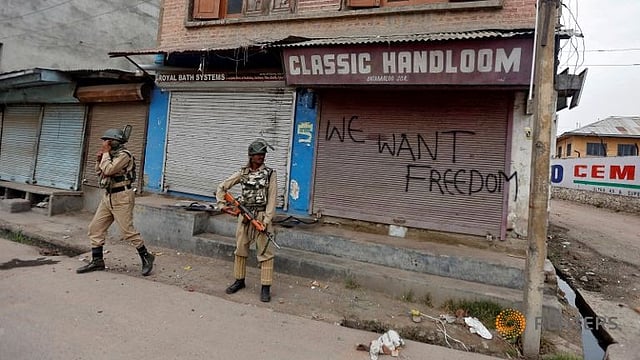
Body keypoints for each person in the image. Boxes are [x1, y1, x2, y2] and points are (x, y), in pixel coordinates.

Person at [77, 128, 155, 276]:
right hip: (108, 196)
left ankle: (146, 256)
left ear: (115, 142)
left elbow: (109, 170)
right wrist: (98, 159)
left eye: (107, 141)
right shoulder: (110, 155)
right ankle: (97, 261)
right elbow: (100, 172)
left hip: (122, 196)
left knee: (127, 231)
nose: (104, 144)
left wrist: (105, 155)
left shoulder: (124, 155)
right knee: (95, 228)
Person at [216, 138, 277, 302]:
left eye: (263, 154)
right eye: (258, 154)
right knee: (240, 249)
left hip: (262, 217)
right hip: (244, 217)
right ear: (251, 156)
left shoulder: (270, 174)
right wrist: (222, 205)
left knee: (266, 253)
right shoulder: (242, 173)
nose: (262, 157)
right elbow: (222, 187)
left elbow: (272, 199)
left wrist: (266, 220)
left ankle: (265, 287)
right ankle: (239, 280)